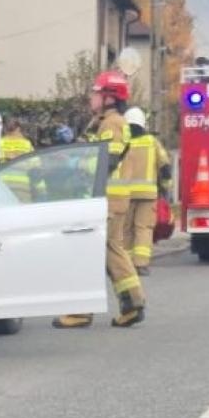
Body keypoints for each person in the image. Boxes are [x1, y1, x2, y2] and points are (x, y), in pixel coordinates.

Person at [53, 70, 145, 330]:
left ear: (109, 97)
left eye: (96, 92)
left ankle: (82, 311)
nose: (91, 97)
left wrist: (77, 165)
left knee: (86, 251)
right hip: (108, 199)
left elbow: (106, 161)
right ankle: (132, 303)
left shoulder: (112, 123)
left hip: (104, 198)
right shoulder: (104, 122)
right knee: (110, 251)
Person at [123, 107, 172, 276]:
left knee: (126, 229)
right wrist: (166, 187)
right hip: (147, 194)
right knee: (143, 228)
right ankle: (141, 264)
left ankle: (126, 265)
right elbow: (165, 167)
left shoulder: (122, 142)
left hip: (125, 194)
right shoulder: (151, 142)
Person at [0, 115, 36, 202]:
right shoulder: (27, 145)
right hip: (23, 187)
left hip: (3, 187)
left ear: (4, 129)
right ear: (19, 129)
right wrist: (42, 190)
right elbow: (35, 168)